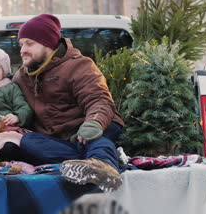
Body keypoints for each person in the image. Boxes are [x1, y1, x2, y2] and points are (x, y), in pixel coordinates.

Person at [12, 14, 125, 192]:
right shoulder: (21, 77)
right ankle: (94, 163)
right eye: (21, 44)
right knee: (27, 141)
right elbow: (16, 107)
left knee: (96, 138)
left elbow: (98, 99)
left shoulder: (79, 66)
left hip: (88, 131)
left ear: (48, 44)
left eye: (29, 43)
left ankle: (103, 165)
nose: (22, 50)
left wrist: (94, 122)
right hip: (59, 141)